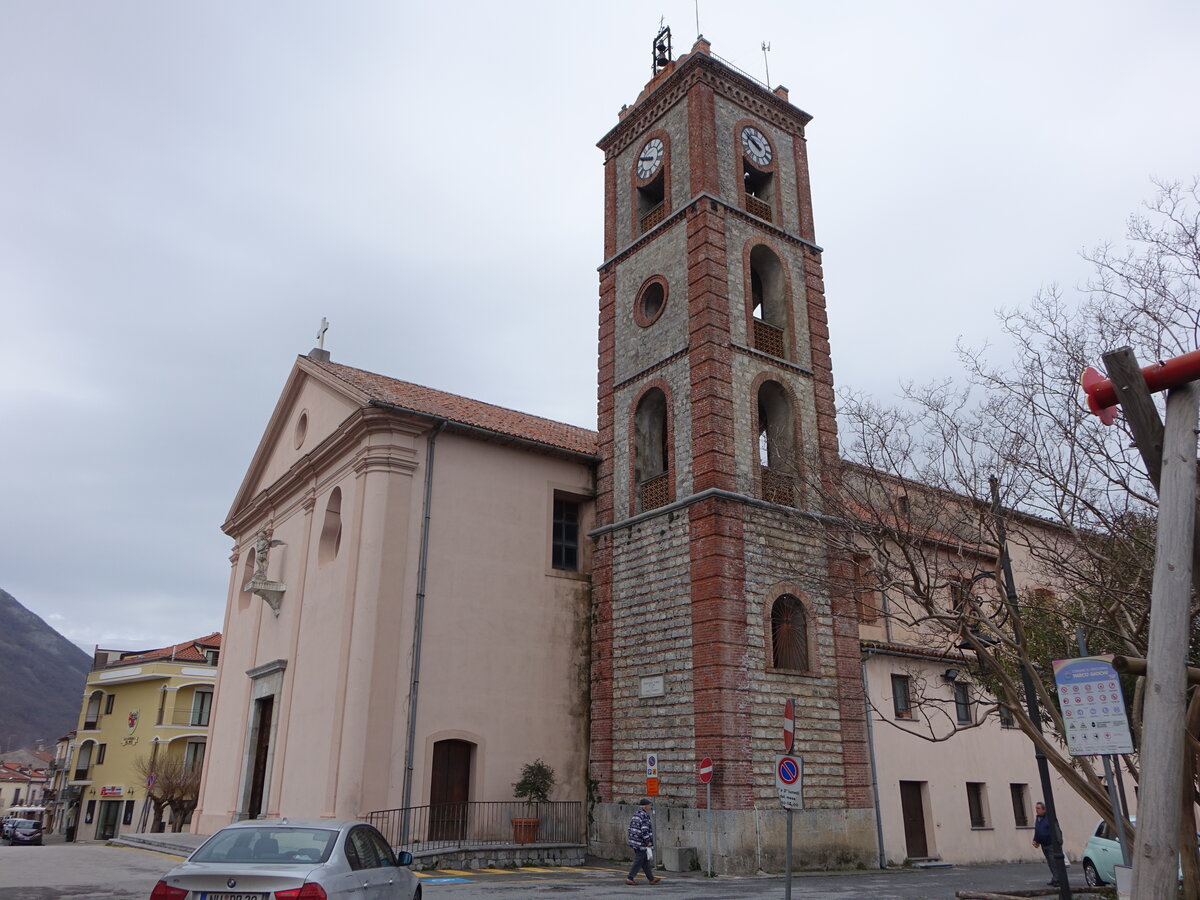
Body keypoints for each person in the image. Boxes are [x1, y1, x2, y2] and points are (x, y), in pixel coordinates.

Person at [626, 798, 661, 885]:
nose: (650, 806)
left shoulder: (636, 814)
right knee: (638, 861)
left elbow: (630, 827)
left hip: (634, 840)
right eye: (649, 805)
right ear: (645, 806)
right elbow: (644, 830)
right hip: (640, 842)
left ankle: (651, 879)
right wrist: (648, 841)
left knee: (644, 861)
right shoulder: (644, 816)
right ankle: (630, 878)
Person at [1032, 801, 1059, 886]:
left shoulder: (1050, 818)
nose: (1036, 810)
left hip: (1051, 844)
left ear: (1044, 810)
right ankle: (1055, 877)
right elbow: (1038, 830)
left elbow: (1054, 830)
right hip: (1044, 844)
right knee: (1050, 863)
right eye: (1036, 808)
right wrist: (1035, 840)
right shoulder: (1038, 818)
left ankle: (1058, 879)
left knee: (1054, 862)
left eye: (1038, 808)